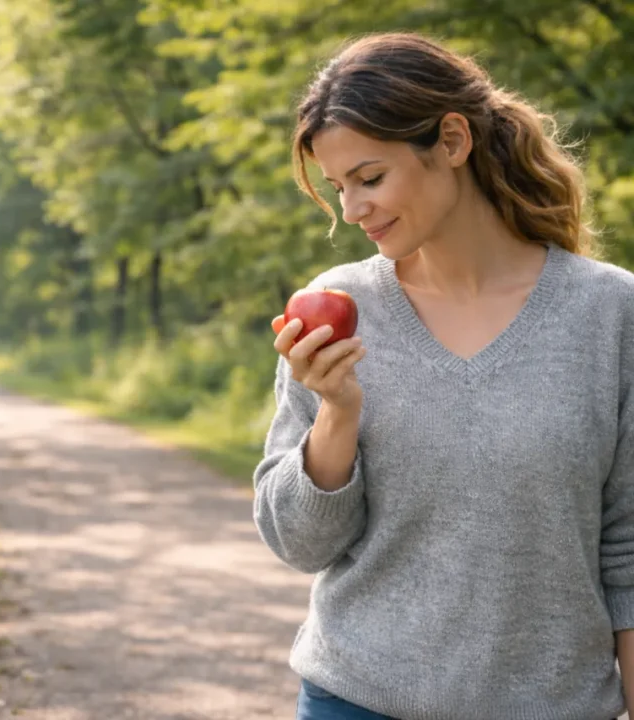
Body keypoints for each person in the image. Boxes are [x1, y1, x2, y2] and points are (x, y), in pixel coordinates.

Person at [253, 31, 634, 720]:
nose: (351, 209)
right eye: (339, 188)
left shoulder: (612, 315)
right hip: (357, 700)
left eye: (370, 178)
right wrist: (335, 411)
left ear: (452, 141)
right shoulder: (341, 310)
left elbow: (630, 548)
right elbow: (298, 543)